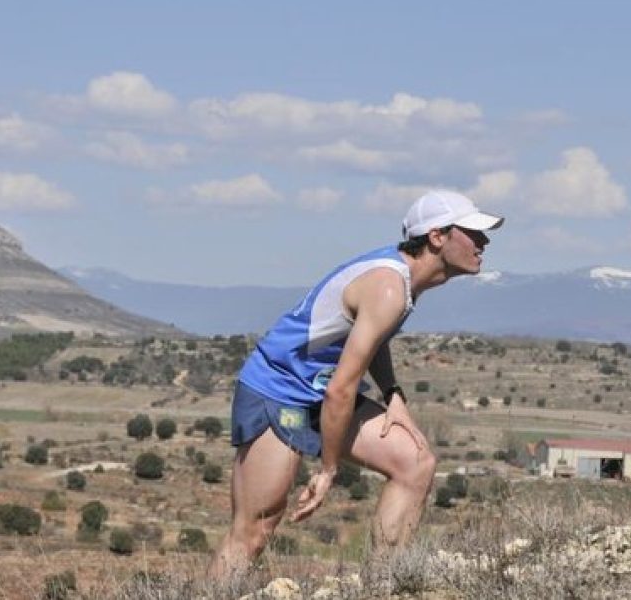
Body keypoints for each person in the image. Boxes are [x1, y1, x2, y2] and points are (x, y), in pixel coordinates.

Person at [208, 189, 503, 579]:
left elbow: (371, 342)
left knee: (415, 464)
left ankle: (383, 584)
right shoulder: (388, 287)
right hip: (279, 392)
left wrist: (393, 393)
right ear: (437, 237)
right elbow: (341, 390)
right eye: (473, 232)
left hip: (320, 394)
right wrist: (328, 470)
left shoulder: (405, 282)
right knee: (255, 529)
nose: (484, 242)